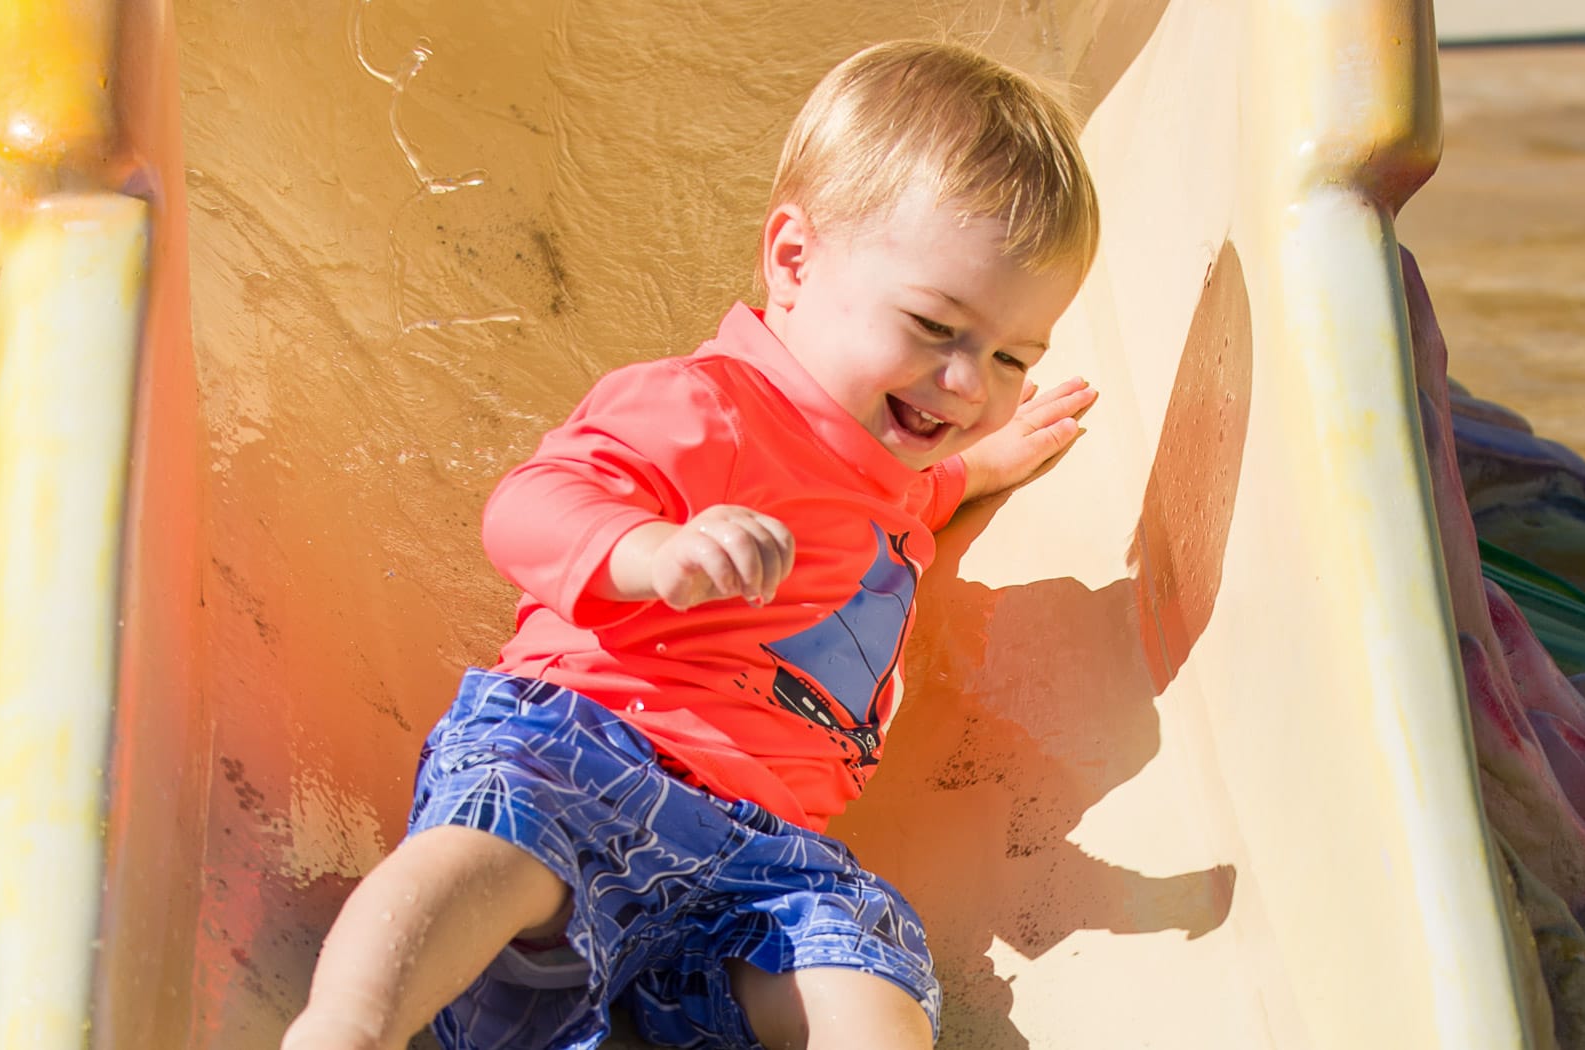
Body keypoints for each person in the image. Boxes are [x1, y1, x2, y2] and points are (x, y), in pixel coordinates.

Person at [283, 38, 1100, 1050]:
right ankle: (350, 1025)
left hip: (761, 861)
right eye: (936, 327)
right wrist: (647, 550)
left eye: (1011, 355)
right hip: (589, 755)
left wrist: (992, 463)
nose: (970, 384)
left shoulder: (886, 462)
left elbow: (919, 495)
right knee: (488, 847)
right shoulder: (707, 407)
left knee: (869, 968)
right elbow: (530, 506)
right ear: (792, 262)